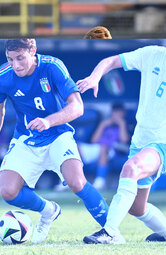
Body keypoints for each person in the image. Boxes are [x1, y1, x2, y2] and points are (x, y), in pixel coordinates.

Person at [77, 39, 166, 244]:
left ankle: (110, 232)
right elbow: (111, 61)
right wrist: (95, 77)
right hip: (139, 142)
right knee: (136, 207)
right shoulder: (153, 54)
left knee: (130, 168)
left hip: (164, 146)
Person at [0, 39, 109, 243]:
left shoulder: (52, 66)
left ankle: (111, 231)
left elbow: (77, 107)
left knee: (77, 182)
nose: (15, 65)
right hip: (26, 139)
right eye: (10, 59)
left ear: (33, 50)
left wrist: (48, 121)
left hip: (58, 134)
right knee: (7, 191)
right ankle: (48, 210)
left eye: (20, 58)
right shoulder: (3, 76)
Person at [91, 102, 130, 190]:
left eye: (119, 112)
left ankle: (100, 181)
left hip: (112, 151)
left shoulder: (126, 124)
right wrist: (102, 125)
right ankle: (65, 180)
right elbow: (93, 140)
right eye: (115, 112)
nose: (117, 115)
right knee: (77, 147)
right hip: (96, 149)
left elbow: (124, 140)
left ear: (123, 113)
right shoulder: (105, 124)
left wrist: (121, 124)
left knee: (104, 148)